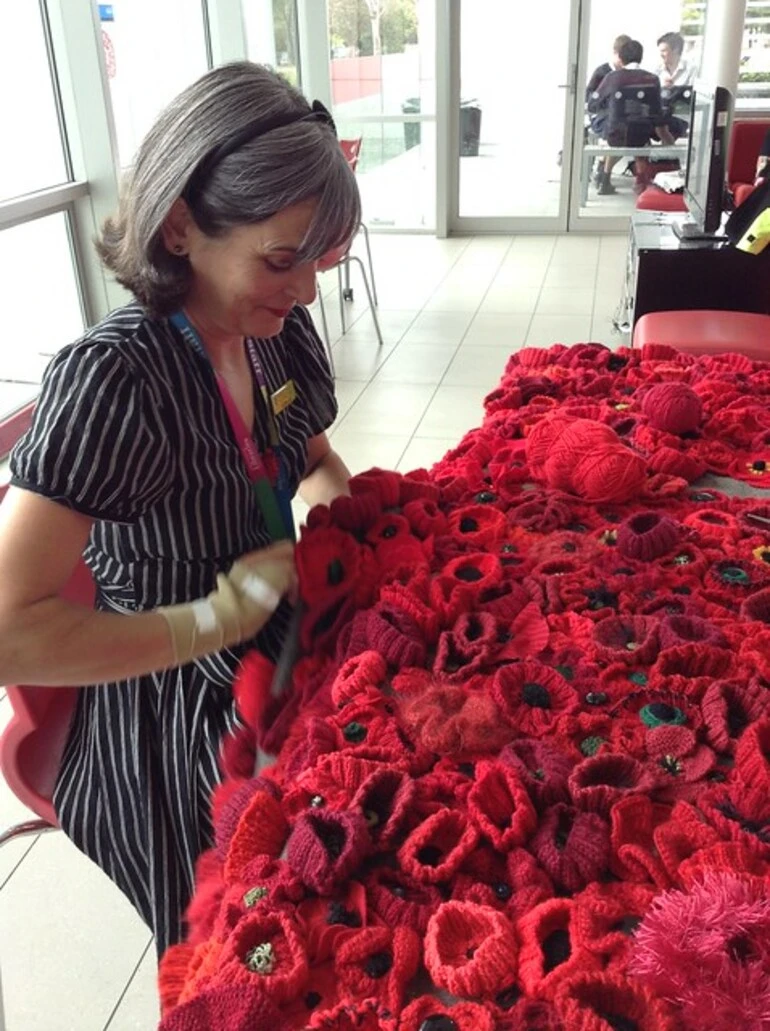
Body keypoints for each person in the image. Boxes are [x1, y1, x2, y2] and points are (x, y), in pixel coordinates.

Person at [0, 61, 359, 954]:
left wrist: (354, 525)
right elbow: (10, 628)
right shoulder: (117, 379)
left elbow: (313, 461)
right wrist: (210, 619)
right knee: (285, 918)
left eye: (317, 261)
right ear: (179, 226)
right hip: (168, 705)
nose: (306, 290)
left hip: (277, 635)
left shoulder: (269, 330)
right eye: (282, 261)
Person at [588, 39, 675, 195]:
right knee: (640, 132)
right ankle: (641, 182)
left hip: (615, 135)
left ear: (620, 58)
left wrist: (610, 106)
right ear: (641, 57)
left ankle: (605, 179)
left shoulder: (612, 77)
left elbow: (593, 103)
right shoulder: (652, 79)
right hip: (641, 135)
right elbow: (656, 112)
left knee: (618, 130)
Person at [585, 34, 632, 103]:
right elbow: (588, 96)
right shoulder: (601, 72)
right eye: (622, 56)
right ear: (615, 53)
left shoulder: (632, 72)